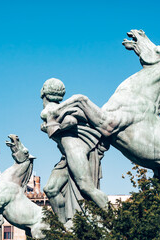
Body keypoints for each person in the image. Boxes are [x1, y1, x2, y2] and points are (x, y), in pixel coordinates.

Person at [41, 78, 110, 223]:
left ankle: (112, 221)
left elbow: (71, 121)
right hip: (66, 155)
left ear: (43, 93)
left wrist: (52, 126)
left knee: (86, 187)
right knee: (51, 189)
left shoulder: (49, 110)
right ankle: (63, 226)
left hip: (74, 150)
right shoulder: (57, 108)